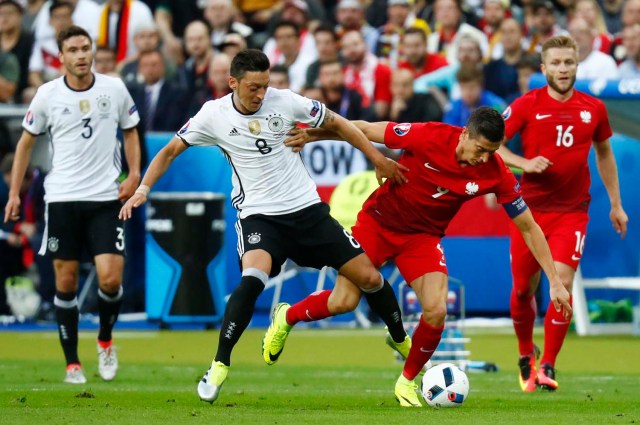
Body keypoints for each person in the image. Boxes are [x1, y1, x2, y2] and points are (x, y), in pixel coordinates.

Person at [118, 49, 409, 404]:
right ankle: (219, 365)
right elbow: (168, 151)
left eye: (265, 86)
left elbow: (339, 123)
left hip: (307, 211)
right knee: (252, 279)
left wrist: (377, 157)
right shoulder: (213, 114)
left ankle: (398, 338)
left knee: (371, 278)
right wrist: (144, 188)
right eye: (254, 87)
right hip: (259, 216)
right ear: (233, 83)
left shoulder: (285, 101)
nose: (261, 94)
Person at [264, 106, 573, 407]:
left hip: (422, 239)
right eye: (480, 149)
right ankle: (286, 317)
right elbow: (365, 128)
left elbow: (529, 227)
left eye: (492, 152)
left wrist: (555, 282)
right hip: (379, 224)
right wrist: (313, 136)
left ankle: (407, 381)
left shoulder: (495, 173)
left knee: (437, 311)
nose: (484, 158)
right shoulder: (429, 136)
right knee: (343, 302)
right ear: (464, 134)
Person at [4, 25, 141, 384]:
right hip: (62, 199)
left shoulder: (115, 89)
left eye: (86, 48)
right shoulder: (47, 95)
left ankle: (106, 341)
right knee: (65, 284)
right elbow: (24, 144)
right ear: (61, 57)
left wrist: (134, 173)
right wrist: (15, 194)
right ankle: (72, 364)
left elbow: (131, 131)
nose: (81, 55)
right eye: (74, 50)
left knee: (110, 279)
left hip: (105, 198)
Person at [498, 35, 628, 393]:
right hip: (529, 212)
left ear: (576, 65)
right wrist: (524, 163)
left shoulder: (593, 108)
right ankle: (527, 353)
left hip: (572, 212)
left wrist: (616, 204)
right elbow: (492, 145)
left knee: (563, 285)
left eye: (568, 63)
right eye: (555, 63)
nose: (562, 69)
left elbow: (604, 153)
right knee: (524, 289)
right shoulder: (527, 105)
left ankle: (549, 366)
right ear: (544, 68)